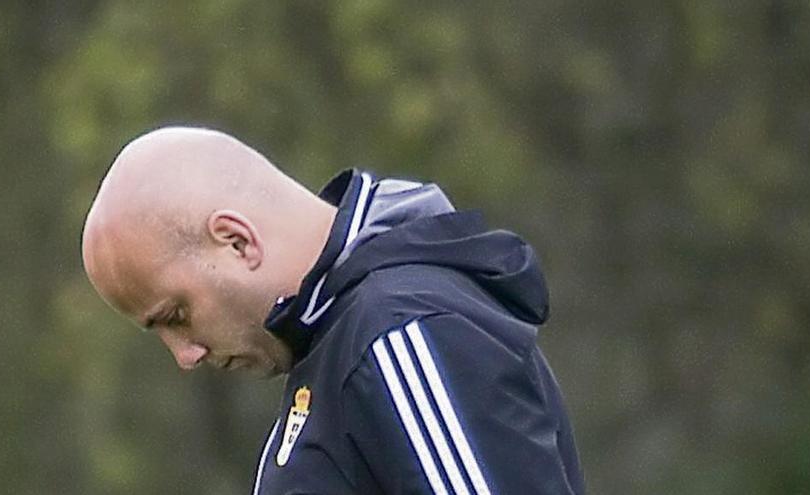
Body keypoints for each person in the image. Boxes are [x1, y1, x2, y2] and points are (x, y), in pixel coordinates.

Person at [82, 126, 584, 494]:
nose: (184, 356)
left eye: (175, 316)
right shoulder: (337, 349)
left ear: (237, 242)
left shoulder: (397, 332)